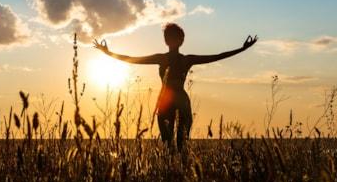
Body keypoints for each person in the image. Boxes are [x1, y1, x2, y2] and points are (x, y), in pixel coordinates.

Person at [93, 24, 257, 149]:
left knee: (169, 144)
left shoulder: (164, 58)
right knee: (180, 143)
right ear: (181, 41)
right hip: (180, 100)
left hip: (166, 101)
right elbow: (218, 56)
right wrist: (242, 49)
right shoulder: (186, 59)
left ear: (167, 41)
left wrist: (107, 52)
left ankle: (173, 174)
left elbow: (131, 59)